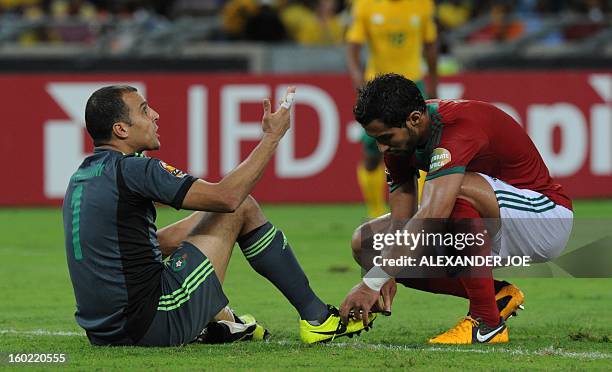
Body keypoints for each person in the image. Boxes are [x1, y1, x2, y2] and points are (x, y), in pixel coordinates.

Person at [62, 85, 375, 346]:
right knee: (242, 207)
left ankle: (223, 323)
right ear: (121, 129)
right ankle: (317, 318)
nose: (155, 115)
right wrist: (272, 137)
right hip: (151, 322)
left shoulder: (81, 178)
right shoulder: (135, 169)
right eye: (144, 110)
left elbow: (140, 246)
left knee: (197, 235)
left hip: (103, 331)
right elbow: (227, 198)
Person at [339, 74, 573, 344]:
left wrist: (372, 283)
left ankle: (486, 322)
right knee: (366, 243)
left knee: (450, 192)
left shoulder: (458, 127)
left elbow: (432, 215)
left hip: (543, 219)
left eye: (386, 137)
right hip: (485, 223)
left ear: (415, 119)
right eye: (376, 139)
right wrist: (387, 270)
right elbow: (402, 222)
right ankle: (496, 296)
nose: (381, 147)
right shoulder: (401, 141)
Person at [345, 0, 438, 218]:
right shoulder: (365, 5)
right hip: (377, 87)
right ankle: (375, 210)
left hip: (413, 84)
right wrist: (359, 82)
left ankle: (424, 211)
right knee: (372, 153)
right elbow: (353, 48)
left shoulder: (423, 4)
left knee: (423, 147)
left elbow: (431, 44)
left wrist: (434, 81)